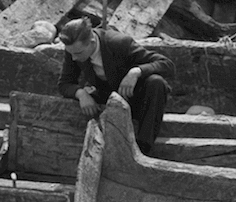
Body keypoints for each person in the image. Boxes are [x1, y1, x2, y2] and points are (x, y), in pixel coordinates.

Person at [57, 15, 171, 154]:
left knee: (156, 83)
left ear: (92, 42)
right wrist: (81, 94)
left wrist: (136, 72)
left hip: (134, 98)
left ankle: (143, 148)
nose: (74, 58)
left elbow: (167, 64)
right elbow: (64, 83)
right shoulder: (74, 50)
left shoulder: (119, 42)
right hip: (105, 97)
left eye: (78, 53)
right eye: (71, 54)